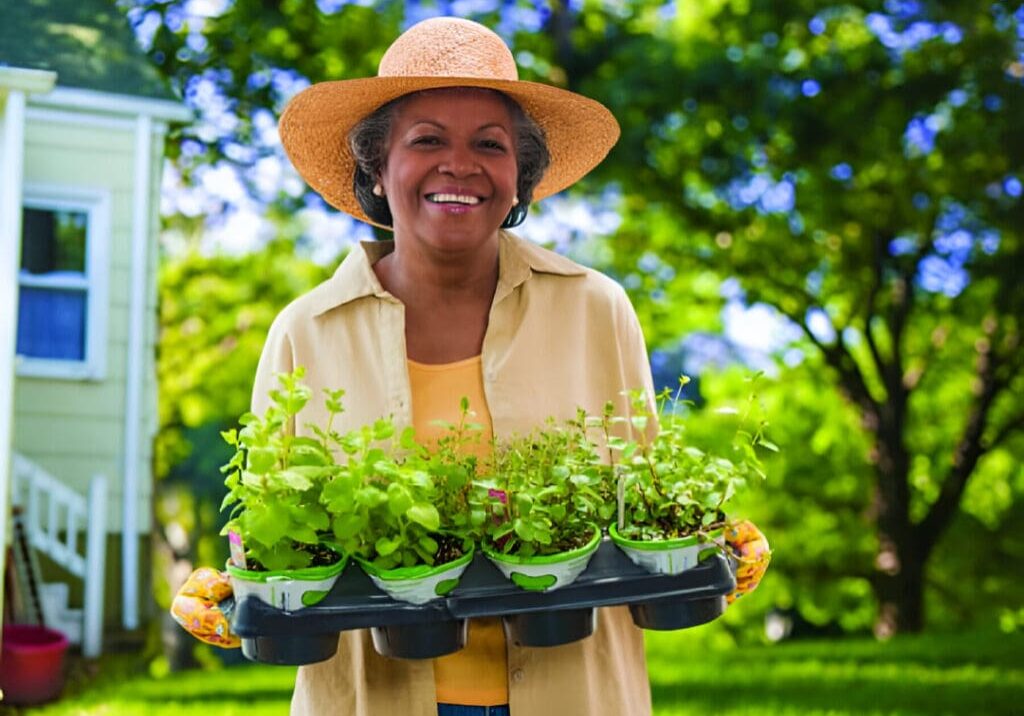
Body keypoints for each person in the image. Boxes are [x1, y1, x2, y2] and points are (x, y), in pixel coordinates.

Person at [172, 17, 770, 716]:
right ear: (376, 166)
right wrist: (232, 586)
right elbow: (276, 539)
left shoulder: (595, 310)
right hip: (378, 697)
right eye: (427, 139)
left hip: (573, 692)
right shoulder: (307, 332)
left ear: (520, 176)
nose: (460, 165)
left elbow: (645, 509)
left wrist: (704, 540)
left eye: (490, 144)